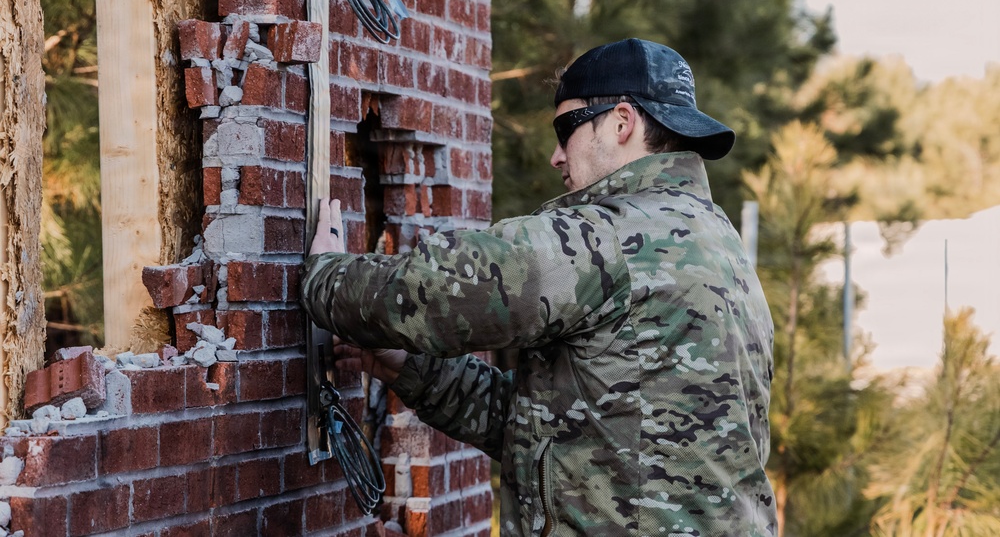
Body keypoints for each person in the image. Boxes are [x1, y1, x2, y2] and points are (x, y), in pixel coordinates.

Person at [302, 38, 776, 536]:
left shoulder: (612, 236)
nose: (555, 156)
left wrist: (324, 276)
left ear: (621, 122)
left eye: (564, 129)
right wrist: (414, 370)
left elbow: (438, 291)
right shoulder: (720, 242)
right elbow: (557, 432)